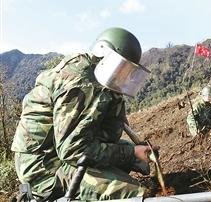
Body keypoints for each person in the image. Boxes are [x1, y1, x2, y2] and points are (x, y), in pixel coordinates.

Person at [11, 27, 159, 200]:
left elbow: (102, 134)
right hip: (45, 168)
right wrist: (130, 153)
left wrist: (132, 151)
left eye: (127, 70)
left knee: (130, 154)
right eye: (120, 66)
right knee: (136, 195)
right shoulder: (82, 85)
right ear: (103, 55)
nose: (122, 74)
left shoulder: (97, 76)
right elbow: (73, 150)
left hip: (61, 154)